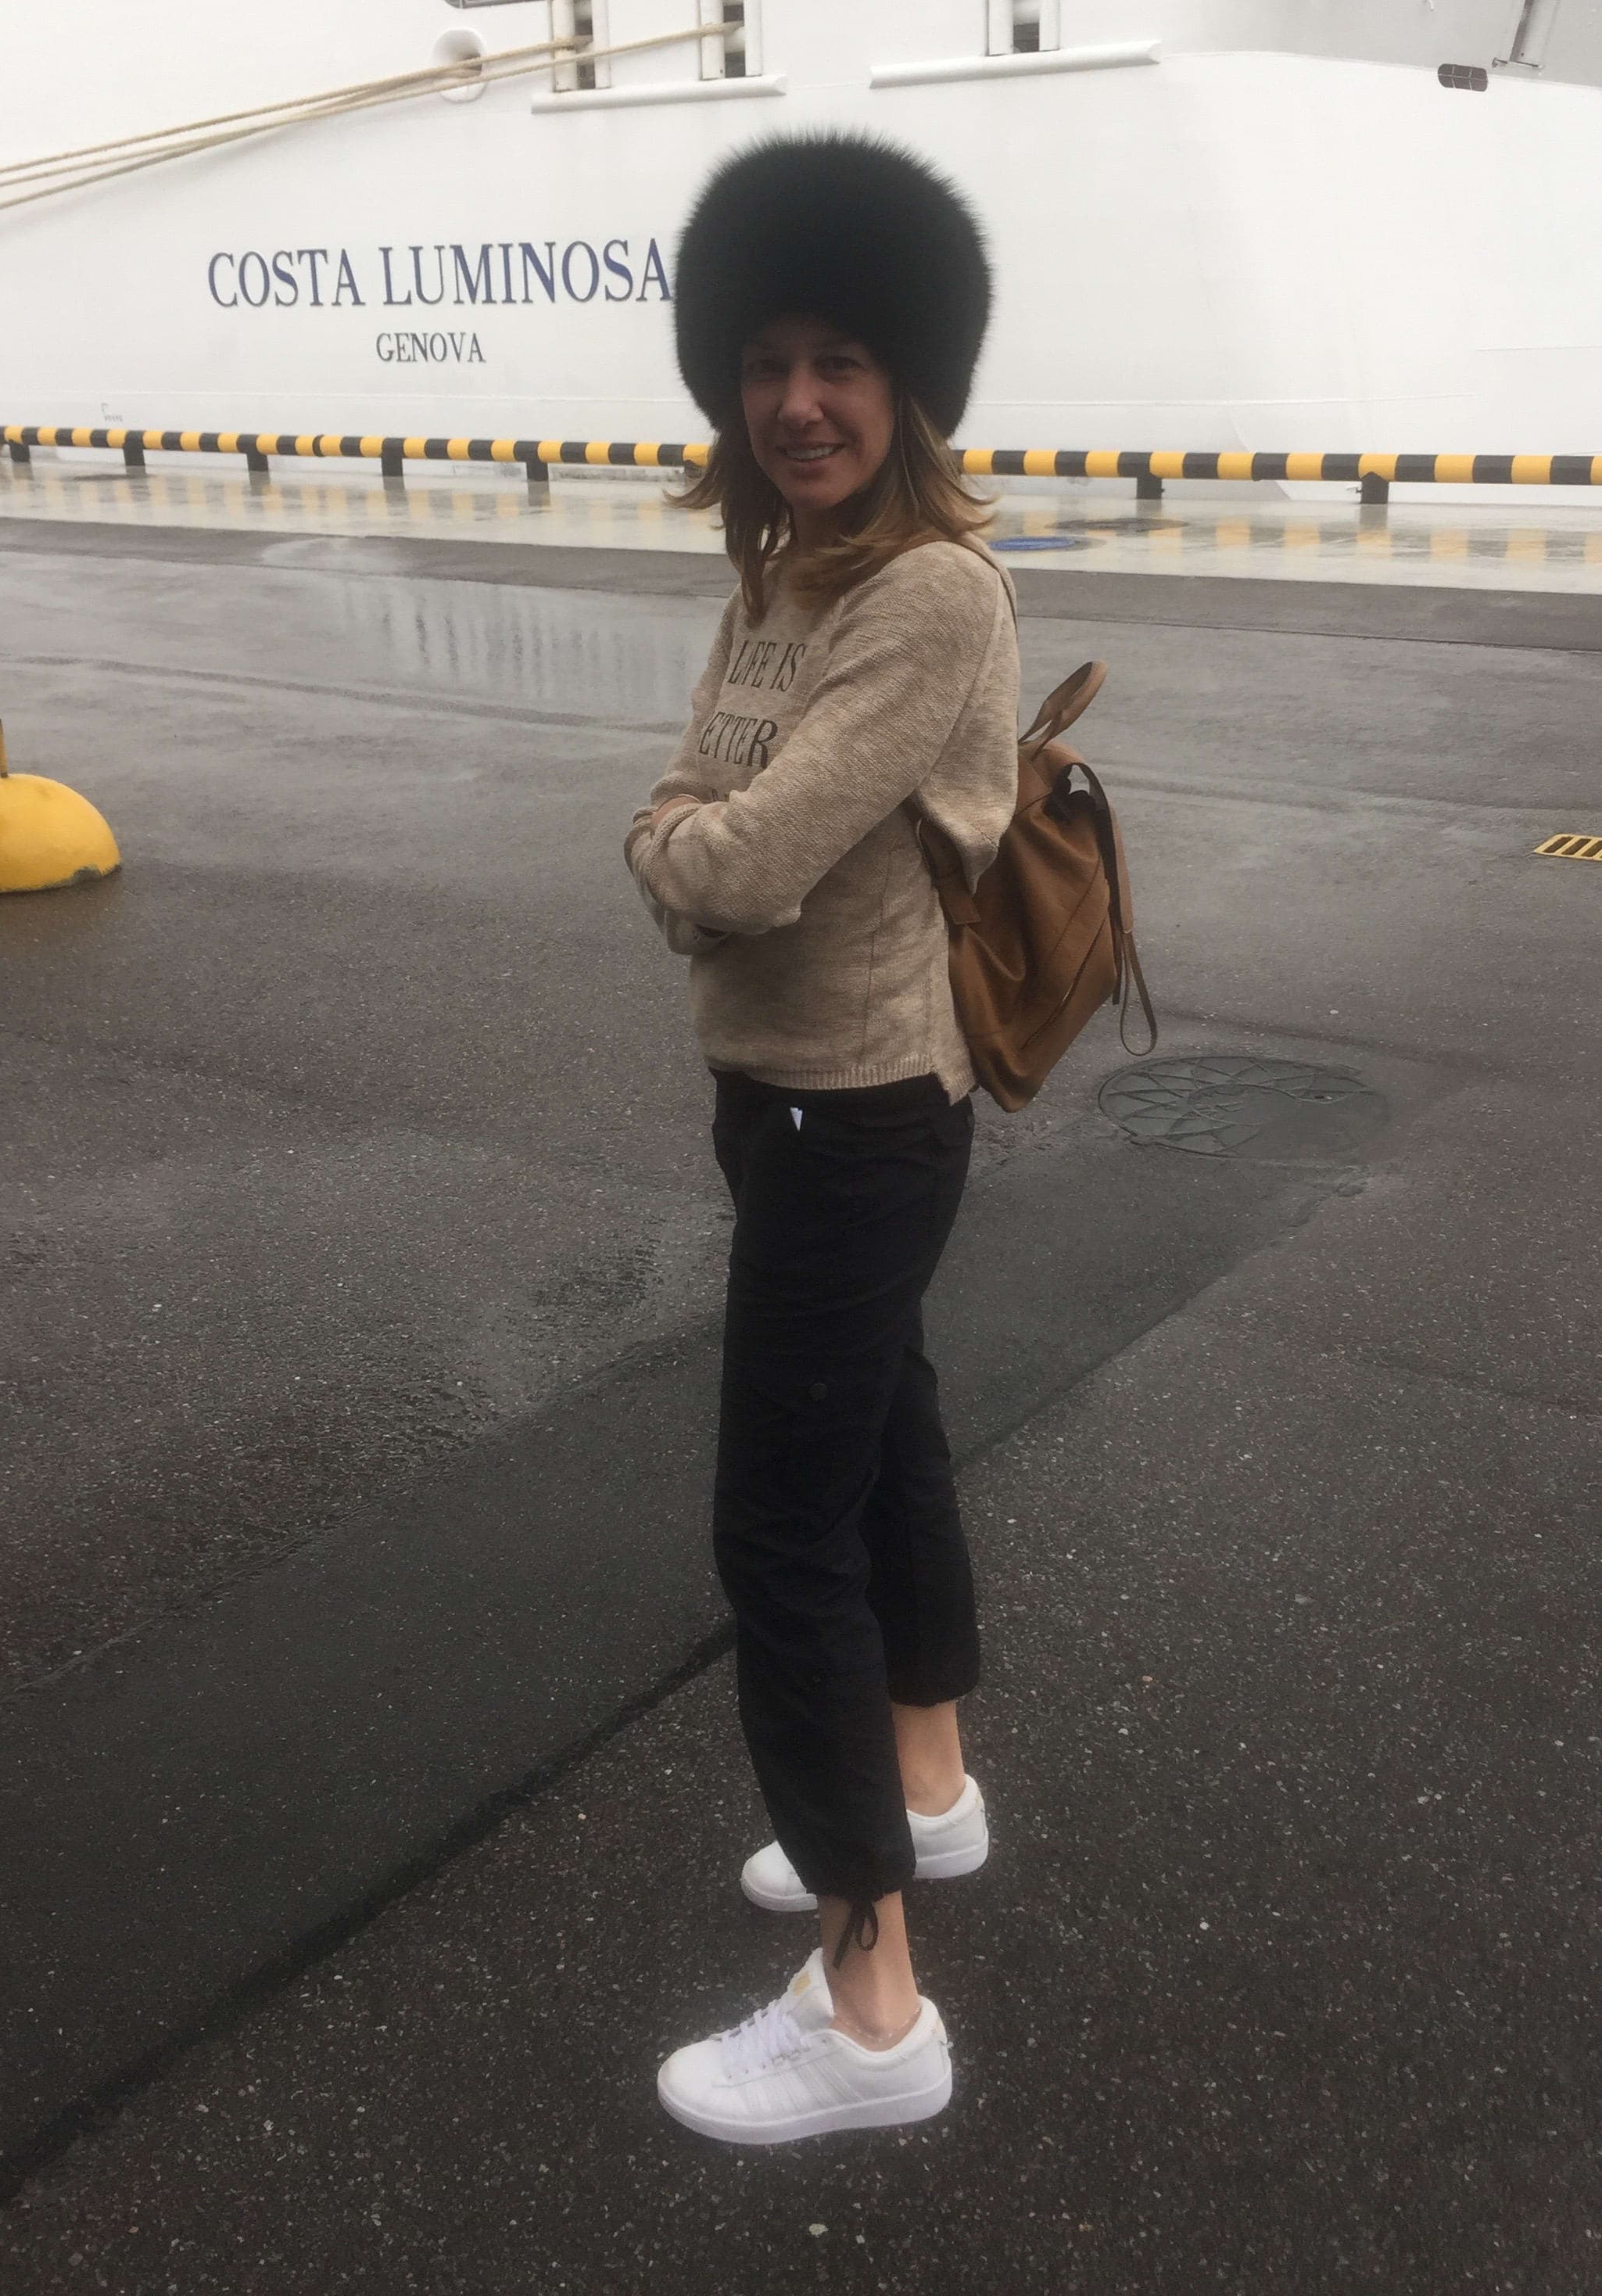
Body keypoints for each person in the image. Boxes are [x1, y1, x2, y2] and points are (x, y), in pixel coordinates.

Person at [624, 134, 1020, 2146]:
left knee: (778, 1530)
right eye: (767, 361)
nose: (799, 401)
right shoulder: (783, 573)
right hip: (778, 1099)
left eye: (843, 359)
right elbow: (706, 790)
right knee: (881, 1439)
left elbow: (740, 854)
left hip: (858, 1111)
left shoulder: (935, 592)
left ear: (912, 385)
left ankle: (872, 2014)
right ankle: (925, 1796)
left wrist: (665, 850)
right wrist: (688, 840)